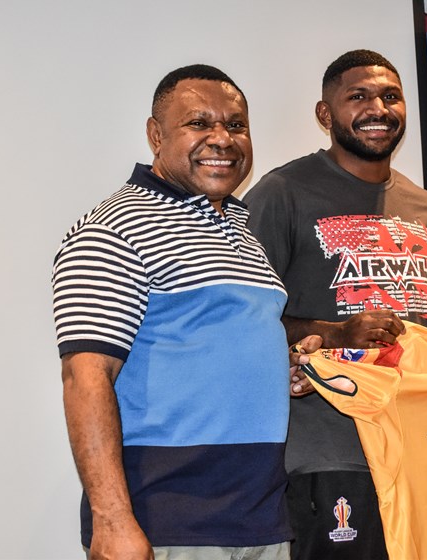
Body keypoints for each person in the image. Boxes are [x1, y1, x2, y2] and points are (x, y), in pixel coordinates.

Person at [52, 64, 313, 560]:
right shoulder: (113, 228)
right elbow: (85, 378)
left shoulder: (239, 225)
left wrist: (285, 368)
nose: (222, 139)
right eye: (199, 123)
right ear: (155, 135)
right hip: (168, 523)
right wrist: (112, 522)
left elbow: (211, 349)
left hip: (259, 517)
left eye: (236, 125)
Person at [244, 50, 427, 560]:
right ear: (324, 114)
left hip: (417, 448)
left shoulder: (424, 206)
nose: (377, 108)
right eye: (357, 96)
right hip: (326, 449)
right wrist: (336, 333)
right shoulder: (282, 193)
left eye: (390, 96)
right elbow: (245, 320)